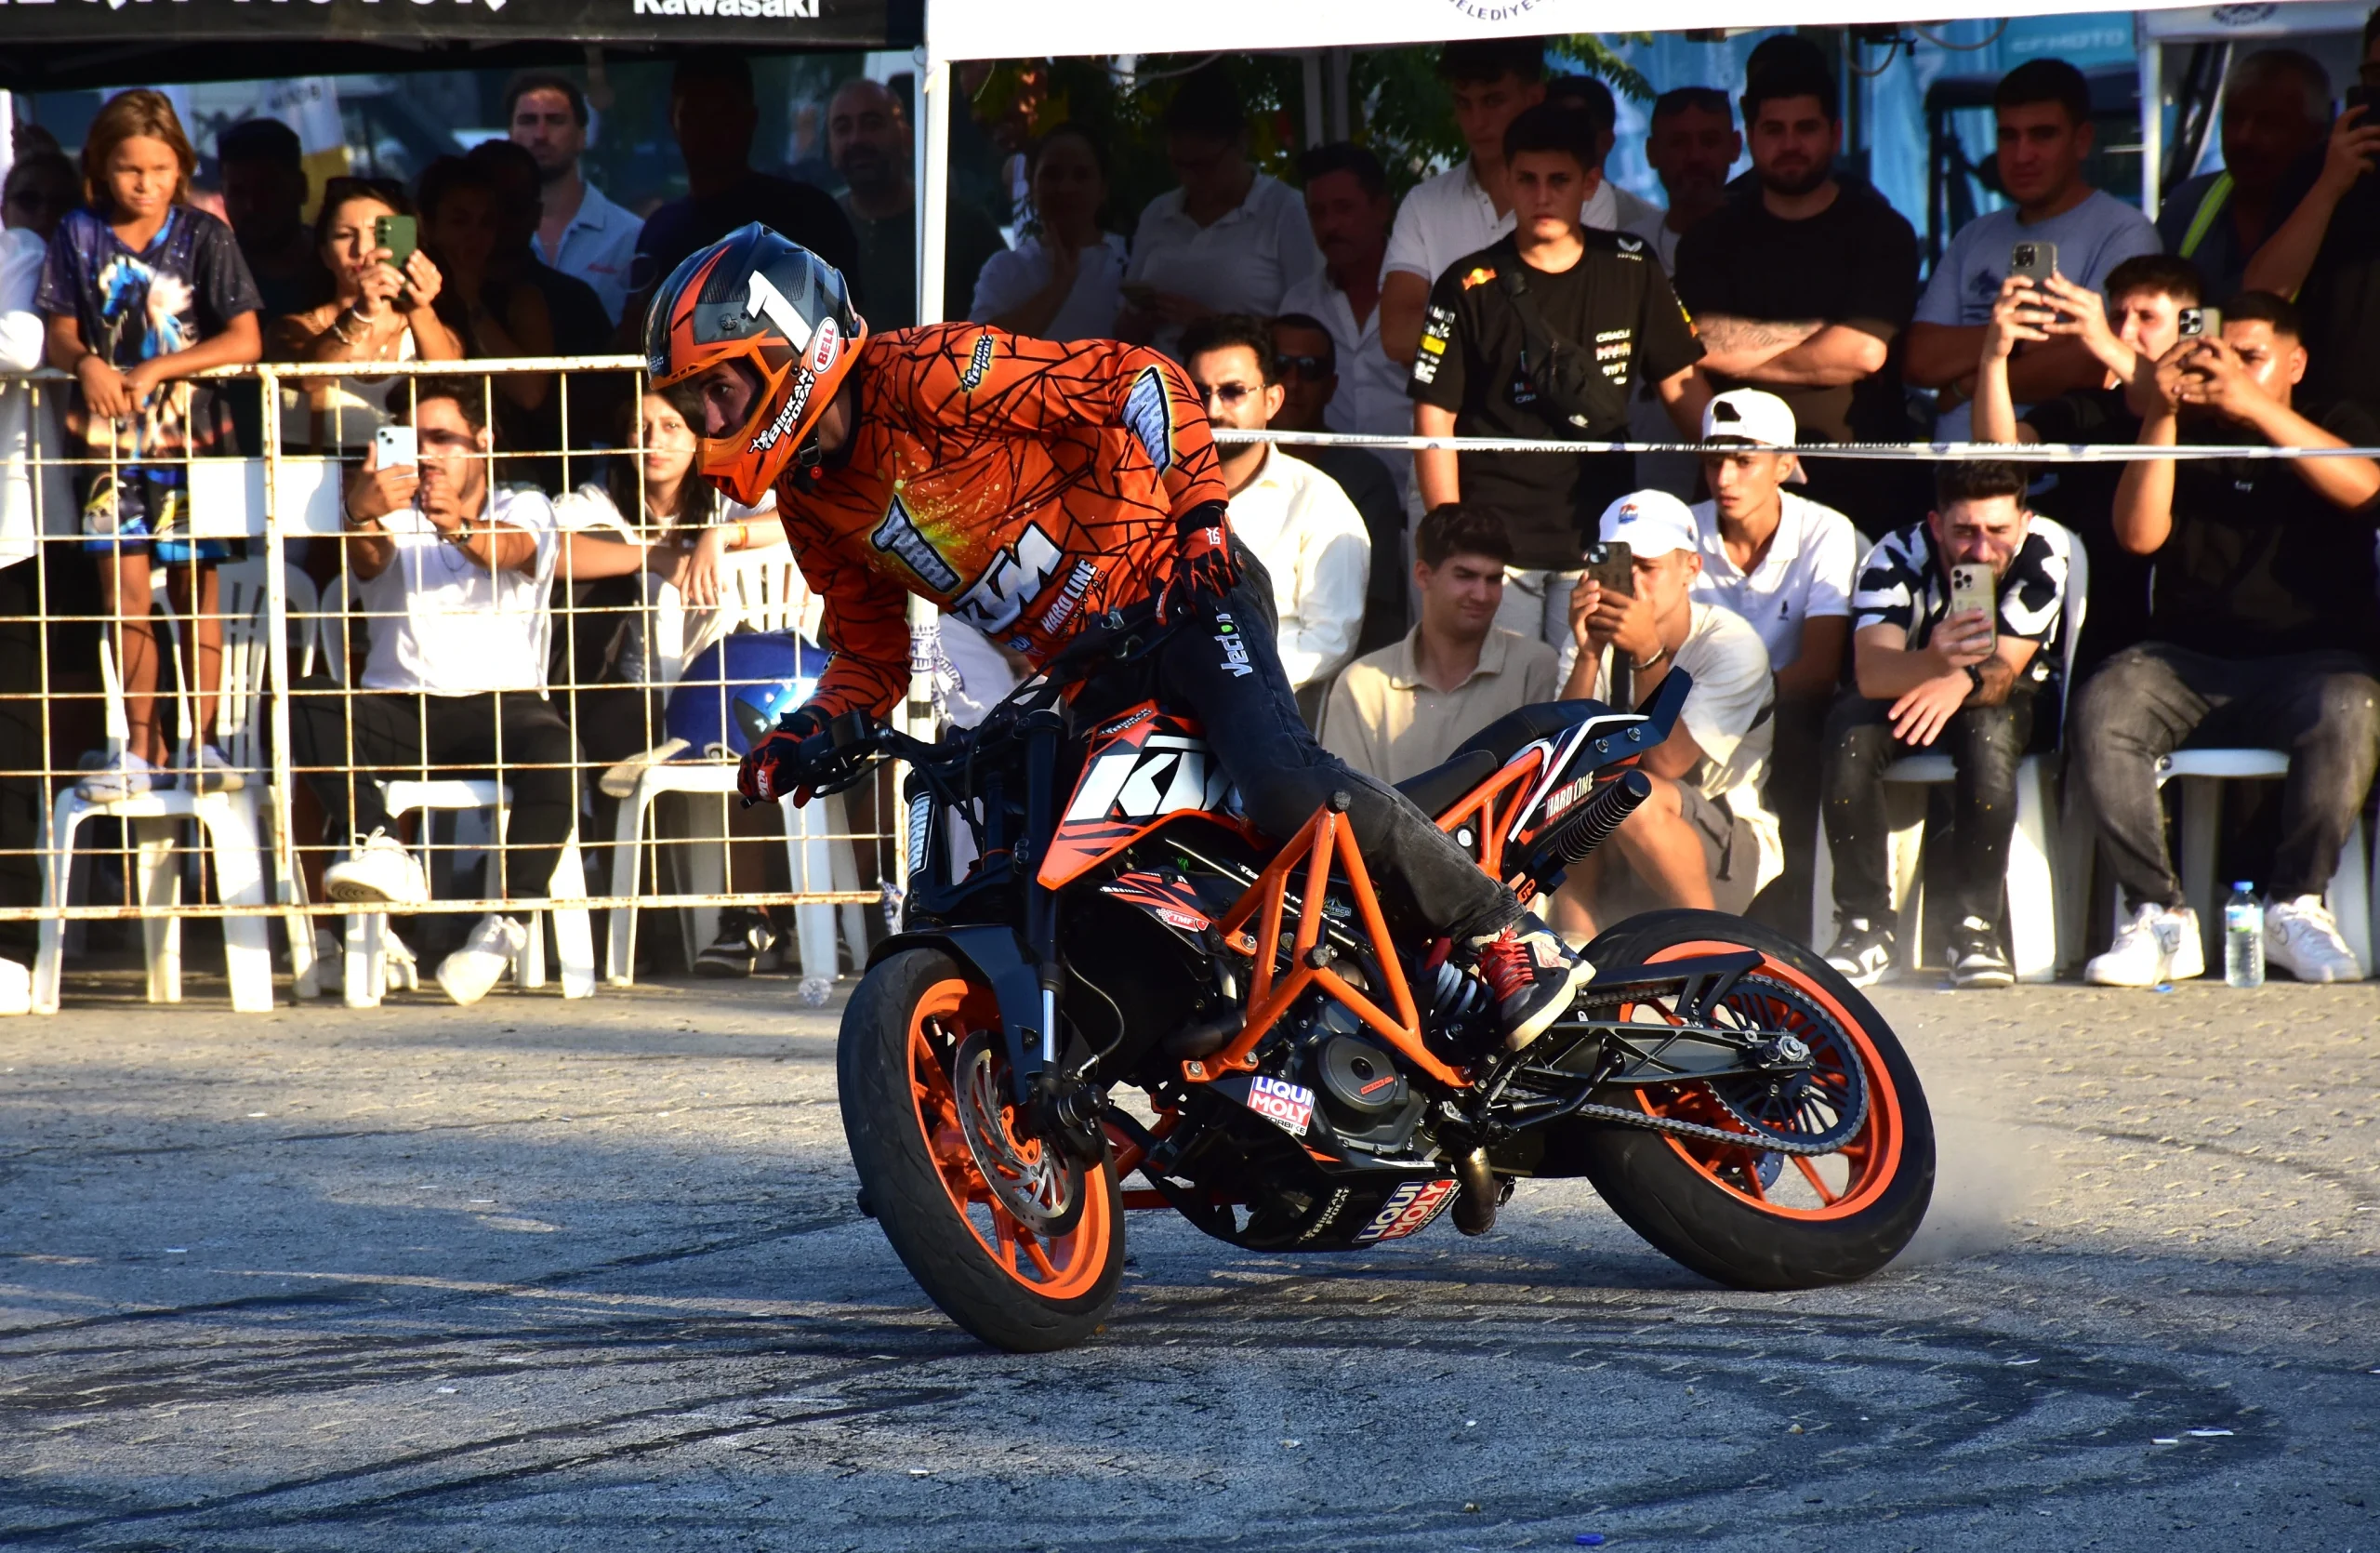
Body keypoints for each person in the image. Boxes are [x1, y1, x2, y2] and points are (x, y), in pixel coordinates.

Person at [653, 226, 1591, 1054]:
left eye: (718, 391)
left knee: (1280, 784)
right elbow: (871, 655)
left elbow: (1138, 378)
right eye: (698, 405)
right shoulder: (809, 500)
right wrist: (811, 727)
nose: (708, 424)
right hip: (1089, 675)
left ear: (789, 349)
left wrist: (1202, 515)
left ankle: (1503, 932)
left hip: (1186, 594)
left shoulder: (929, 371)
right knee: (1062, 880)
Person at [2077, 292, 2380, 987]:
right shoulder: (2182, 431)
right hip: (2184, 661)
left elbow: (2368, 492)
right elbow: (2137, 536)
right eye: (2217, 356)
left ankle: (2295, 904)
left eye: (2251, 357)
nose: (2228, 372)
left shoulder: (2334, 421)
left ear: (2295, 363)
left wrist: (2256, 408)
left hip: (2311, 663)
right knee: (2107, 702)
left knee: (2352, 706)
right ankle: (2158, 914)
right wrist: (2161, 411)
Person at [296, 377, 580, 1006]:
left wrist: (457, 526)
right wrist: (357, 513)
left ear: (483, 440)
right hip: (399, 707)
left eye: (443, 437)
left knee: (557, 751)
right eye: (413, 438)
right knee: (308, 701)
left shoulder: (524, 502)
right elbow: (370, 561)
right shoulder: (384, 509)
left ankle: (506, 928)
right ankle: (382, 845)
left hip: (503, 705)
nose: (427, 453)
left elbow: (513, 549)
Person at [1409, 104, 1708, 676]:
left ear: (1590, 184)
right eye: (1527, 179)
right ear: (1506, 180)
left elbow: (1680, 384)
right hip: (1496, 545)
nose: (1542, 195)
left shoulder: (1632, 265)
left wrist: (1741, 463)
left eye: (1560, 180)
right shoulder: (1466, 282)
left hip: (1604, 536)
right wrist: (1454, 541)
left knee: (1592, 702)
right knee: (1499, 702)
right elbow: (1434, 417)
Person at [39, 89, 264, 803]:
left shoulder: (205, 235)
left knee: (199, 589)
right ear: (101, 168)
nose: (144, 183)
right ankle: (140, 745)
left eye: (160, 169)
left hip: (194, 436)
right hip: (107, 440)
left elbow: (246, 337)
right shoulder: (77, 233)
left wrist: (162, 366)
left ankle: (203, 740)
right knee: (124, 592)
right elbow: (60, 328)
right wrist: (87, 364)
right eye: (129, 168)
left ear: (182, 168)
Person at [1821, 461, 2071, 989]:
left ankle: (1973, 929)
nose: (1981, 550)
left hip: (2007, 688)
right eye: (1964, 532)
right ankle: (1865, 927)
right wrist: (1935, 662)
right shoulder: (1893, 555)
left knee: (1988, 735)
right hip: (1908, 680)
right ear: (1936, 525)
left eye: (1998, 531)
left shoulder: (2044, 549)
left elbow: (2004, 669)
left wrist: (1957, 681)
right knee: (1848, 732)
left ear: (2024, 522)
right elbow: (1873, 673)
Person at [1673, 59, 1920, 536]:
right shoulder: (1708, 240)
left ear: (1835, 133)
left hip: (1865, 491)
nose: (1789, 144)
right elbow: (1696, 345)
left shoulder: (1882, 232)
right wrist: (1823, 339)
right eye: (1774, 129)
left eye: (1805, 128)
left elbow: (1863, 352)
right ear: (1750, 136)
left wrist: (1737, 355)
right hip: (1740, 497)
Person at [1556, 490, 1778, 943]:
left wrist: (1647, 654)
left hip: (1726, 843)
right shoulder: (1590, 637)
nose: (1633, 583)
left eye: (1648, 567)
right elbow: (1562, 759)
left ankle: (1708, 947)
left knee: (1628, 791)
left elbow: (1669, 762)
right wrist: (1588, 655)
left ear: (1691, 569)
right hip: (1620, 838)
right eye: (1621, 567)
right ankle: (1573, 949)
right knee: (1566, 794)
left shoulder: (1731, 643)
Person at [1906, 59, 2161, 440]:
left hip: (2048, 467)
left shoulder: (2124, 231)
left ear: (2082, 140)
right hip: (1950, 468)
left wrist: (1967, 385)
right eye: (2009, 136)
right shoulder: (1973, 235)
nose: (2022, 155)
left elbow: (2093, 364)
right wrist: (2024, 339)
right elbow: (1920, 360)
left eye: (2043, 135)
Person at [1972, 253, 2203, 672]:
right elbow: (1999, 459)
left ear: (2191, 328)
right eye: (2116, 317)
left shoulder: (2211, 417)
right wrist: (1993, 357)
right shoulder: (2086, 409)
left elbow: (2175, 398)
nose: (2126, 331)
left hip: (2180, 630)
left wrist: (2103, 342)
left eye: (2147, 318)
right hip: (2086, 616)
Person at [1686, 390, 1858, 942]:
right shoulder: (1681, 529)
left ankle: (1789, 934)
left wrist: (1733, 702)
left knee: (1808, 739)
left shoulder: (1826, 529)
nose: (1724, 479)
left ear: (1785, 466)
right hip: (1697, 719)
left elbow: (1820, 670)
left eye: (1744, 461)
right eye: (1714, 461)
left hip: (1788, 712)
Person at [1180, 313, 1371, 715]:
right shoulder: (1150, 492)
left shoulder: (1317, 499)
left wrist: (1230, 676)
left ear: (1272, 400)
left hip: (1270, 720)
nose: (1212, 409)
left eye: (1232, 392)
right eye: (1198, 392)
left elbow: (1330, 639)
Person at [1319, 503, 1559, 785]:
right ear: (1423, 575)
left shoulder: (1536, 667)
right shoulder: (1361, 684)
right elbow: (1346, 798)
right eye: (1465, 576)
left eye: (1494, 579)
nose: (1481, 595)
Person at [625, 51, 861, 328]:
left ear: (750, 119)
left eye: (723, 114)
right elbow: (635, 332)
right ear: (673, 120)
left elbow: (849, 329)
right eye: (695, 115)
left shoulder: (810, 216)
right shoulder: (660, 231)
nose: (709, 130)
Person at [1117, 65, 1324, 360]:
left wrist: (1214, 325)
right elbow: (1121, 331)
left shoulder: (1283, 209)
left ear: (1241, 143)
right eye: (1179, 165)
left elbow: (1309, 330)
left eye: (1203, 166)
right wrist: (1141, 321)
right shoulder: (1158, 213)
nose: (1189, 179)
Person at [2240, 12, 2380, 413]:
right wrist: (2330, 185)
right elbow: (2262, 293)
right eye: (2376, 75)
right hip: (2329, 418)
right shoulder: (2321, 169)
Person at [1380, 39, 1548, 367]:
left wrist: (1446, 332)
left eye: (1493, 101)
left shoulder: (1585, 198)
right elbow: (1398, 334)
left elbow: (1580, 324)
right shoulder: (1423, 203)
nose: (1476, 121)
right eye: (1463, 103)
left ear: (1534, 99)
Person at [266, 179, 465, 453]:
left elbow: (453, 386)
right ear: (324, 254)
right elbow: (307, 378)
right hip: (321, 479)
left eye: (379, 234)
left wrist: (418, 304)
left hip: (412, 478)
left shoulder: (427, 329)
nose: (362, 249)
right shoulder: (292, 328)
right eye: (344, 235)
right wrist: (360, 313)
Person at [1267, 312, 1407, 657]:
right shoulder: (1222, 466)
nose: (1293, 382)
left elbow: (1377, 610)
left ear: (1331, 387)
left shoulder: (1365, 478)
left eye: (1310, 369)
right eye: (1280, 366)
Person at [1275, 142, 1408, 497]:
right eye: (1318, 213)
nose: (1330, 225)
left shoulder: (1423, 293)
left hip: (1416, 499)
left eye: (1344, 208)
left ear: (1381, 208)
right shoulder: (1299, 303)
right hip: (1324, 503)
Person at [829, 76, 1007, 332]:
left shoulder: (964, 228)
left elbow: (1007, 334)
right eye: (843, 128)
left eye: (872, 124)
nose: (856, 139)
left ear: (906, 138)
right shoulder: (818, 229)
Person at [2156, 50, 2332, 307]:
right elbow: (2161, 313)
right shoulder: (2189, 204)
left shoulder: (2344, 212)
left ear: (2314, 133)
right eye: (2234, 119)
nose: (2244, 137)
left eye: (2267, 123)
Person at [505, 70, 643, 328]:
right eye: (528, 120)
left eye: (556, 120)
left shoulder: (630, 235)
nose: (540, 134)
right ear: (510, 134)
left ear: (582, 136)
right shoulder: (487, 233)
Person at [969, 123, 1128, 343]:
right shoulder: (1004, 269)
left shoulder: (1129, 262)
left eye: (1081, 175)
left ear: (1103, 189)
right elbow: (978, 349)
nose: (1066, 188)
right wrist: (1059, 286)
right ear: (1031, 186)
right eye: (1052, 175)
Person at [465, 139, 612, 358]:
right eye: (485, 207)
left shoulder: (575, 303)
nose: (498, 219)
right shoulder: (430, 295)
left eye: (512, 205)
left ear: (535, 214)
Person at [215, 116, 333, 327]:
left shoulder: (337, 266)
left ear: (301, 188)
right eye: (238, 192)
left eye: (266, 190)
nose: (251, 206)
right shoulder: (210, 272)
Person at [1624, 86, 1741, 272]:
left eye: (1709, 141)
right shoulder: (1629, 249)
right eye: (1678, 143)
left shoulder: (1768, 243)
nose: (1695, 156)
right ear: (1652, 152)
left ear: (1735, 147)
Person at [1544, 73, 1667, 235]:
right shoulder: (1523, 210)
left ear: (1605, 141)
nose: (1558, 139)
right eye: (1549, 127)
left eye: (1574, 127)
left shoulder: (1644, 223)